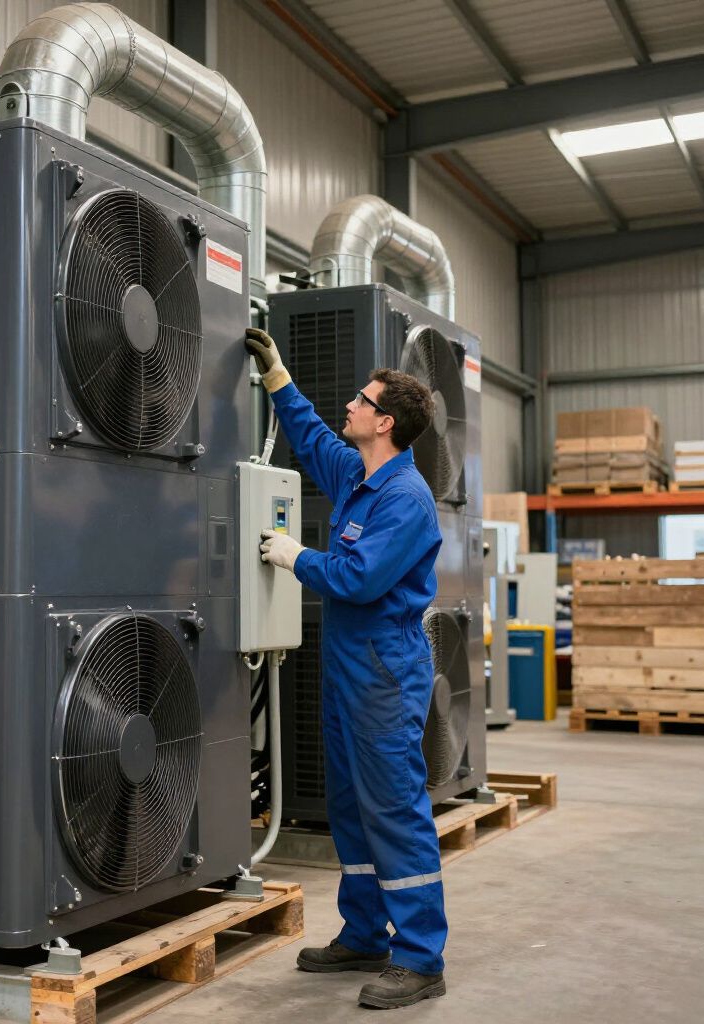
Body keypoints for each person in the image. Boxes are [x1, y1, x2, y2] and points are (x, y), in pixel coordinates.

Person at [245, 326, 447, 1010]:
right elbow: (312, 440)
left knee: (393, 809)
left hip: (385, 674)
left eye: (361, 401)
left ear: (385, 421)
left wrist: (292, 556)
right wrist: (277, 377)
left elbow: (358, 578)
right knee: (350, 808)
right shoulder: (360, 477)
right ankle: (366, 931)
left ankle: (421, 957)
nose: (350, 406)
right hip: (348, 668)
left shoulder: (404, 500)